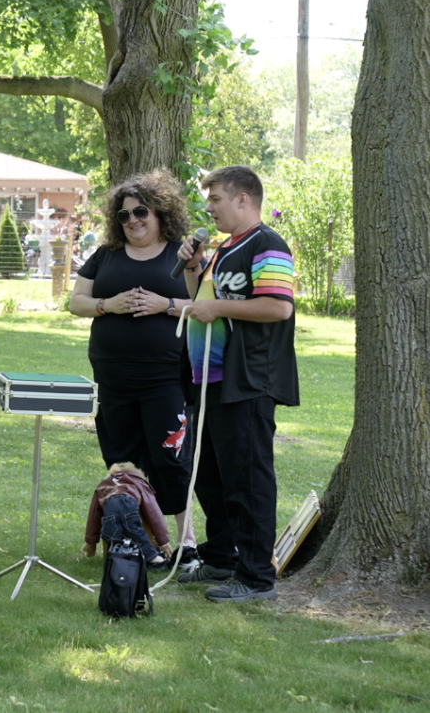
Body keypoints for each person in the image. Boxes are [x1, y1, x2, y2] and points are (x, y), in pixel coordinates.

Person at [176, 165, 299, 603]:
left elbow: (277, 308)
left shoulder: (268, 244)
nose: (208, 208)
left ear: (243, 199)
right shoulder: (225, 247)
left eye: (216, 199)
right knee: (211, 476)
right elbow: (203, 299)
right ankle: (221, 557)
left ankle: (254, 577)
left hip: (246, 381)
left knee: (247, 478)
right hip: (207, 382)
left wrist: (221, 310)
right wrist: (193, 266)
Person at [69, 169, 199, 563]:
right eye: (124, 215)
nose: (133, 221)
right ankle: (136, 540)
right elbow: (76, 302)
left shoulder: (182, 254)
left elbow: (203, 305)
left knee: (170, 458)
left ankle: (187, 543)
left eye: (140, 212)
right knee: (123, 459)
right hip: (113, 377)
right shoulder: (106, 255)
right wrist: (110, 305)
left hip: (164, 377)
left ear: (160, 212)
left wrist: (165, 305)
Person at [82, 462, 173, 569]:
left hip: (109, 506)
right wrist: (163, 541)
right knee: (136, 533)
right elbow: (153, 512)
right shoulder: (139, 482)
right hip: (128, 503)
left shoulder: (103, 484)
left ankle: (116, 560)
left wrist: (91, 542)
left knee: (112, 536)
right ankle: (153, 558)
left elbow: (94, 516)